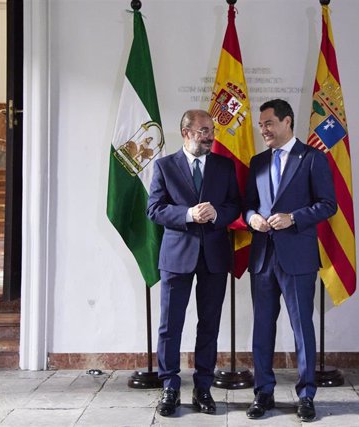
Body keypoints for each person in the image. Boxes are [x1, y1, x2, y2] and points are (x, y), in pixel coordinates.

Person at [244, 99, 337, 422]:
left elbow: (328, 204)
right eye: (261, 125)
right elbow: (248, 205)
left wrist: (294, 218)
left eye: (268, 123)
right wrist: (253, 218)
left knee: (302, 329)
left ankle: (306, 394)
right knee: (262, 329)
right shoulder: (256, 162)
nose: (264, 130)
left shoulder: (313, 159)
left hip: (297, 257)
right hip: (262, 258)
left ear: (287, 122)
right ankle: (263, 393)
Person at [147, 109, 240, 417]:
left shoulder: (224, 166)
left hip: (214, 257)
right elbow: (155, 210)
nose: (210, 136)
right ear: (186, 132)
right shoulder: (164, 166)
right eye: (203, 131)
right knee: (170, 326)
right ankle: (170, 386)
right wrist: (188, 214)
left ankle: (203, 387)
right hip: (176, 257)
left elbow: (234, 205)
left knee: (209, 326)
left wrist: (218, 214)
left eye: (211, 130)